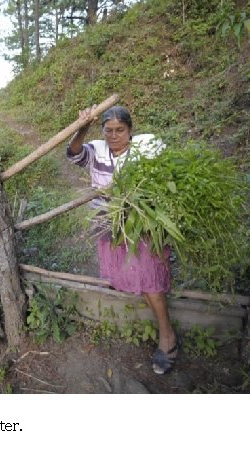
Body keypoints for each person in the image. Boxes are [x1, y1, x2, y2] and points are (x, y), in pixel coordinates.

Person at [67, 104, 180, 375]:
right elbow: (73, 153)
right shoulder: (97, 150)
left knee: (150, 279)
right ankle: (148, 315)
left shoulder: (146, 148)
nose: (114, 136)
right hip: (110, 226)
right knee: (131, 274)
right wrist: (83, 126)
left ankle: (168, 338)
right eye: (108, 130)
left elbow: (167, 175)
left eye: (120, 130)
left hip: (141, 225)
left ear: (130, 130)